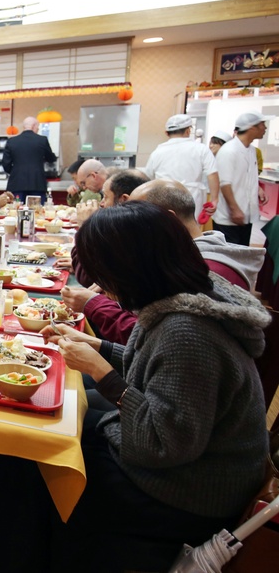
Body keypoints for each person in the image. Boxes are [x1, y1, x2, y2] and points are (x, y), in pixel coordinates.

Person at [37, 201, 268, 573]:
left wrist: (104, 374)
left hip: (191, 490)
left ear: (127, 268)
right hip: (195, 459)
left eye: (104, 274)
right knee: (64, 414)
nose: (102, 287)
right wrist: (102, 348)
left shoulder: (187, 330)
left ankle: (17, 550)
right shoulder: (183, 294)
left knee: (51, 460)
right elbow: (159, 371)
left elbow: (161, 445)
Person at [64, 179, 266, 345]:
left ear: (166, 221)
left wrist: (96, 305)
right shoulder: (179, 258)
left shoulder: (205, 272)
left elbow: (155, 338)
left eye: (136, 218)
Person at [213, 112, 272, 246]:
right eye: (262, 125)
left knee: (242, 252)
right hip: (230, 217)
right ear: (252, 128)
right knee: (230, 256)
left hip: (245, 214)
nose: (265, 128)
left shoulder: (251, 150)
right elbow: (225, 184)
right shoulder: (229, 151)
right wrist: (235, 209)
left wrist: (258, 190)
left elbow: (247, 175)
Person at [143, 114, 219, 214]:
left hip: (164, 197)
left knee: (167, 227)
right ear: (188, 130)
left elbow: (147, 178)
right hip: (192, 196)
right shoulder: (201, 149)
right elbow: (212, 174)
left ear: (166, 133)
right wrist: (214, 199)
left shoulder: (157, 152)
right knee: (190, 227)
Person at [1, 116, 56, 202]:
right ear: (34, 126)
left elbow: (5, 163)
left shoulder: (12, 141)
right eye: (37, 127)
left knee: (15, 210)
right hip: (37, 183)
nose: (38, 129)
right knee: (37, 211)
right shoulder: (42, 140)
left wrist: (16, 171)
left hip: (16, 184)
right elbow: (51, 159)